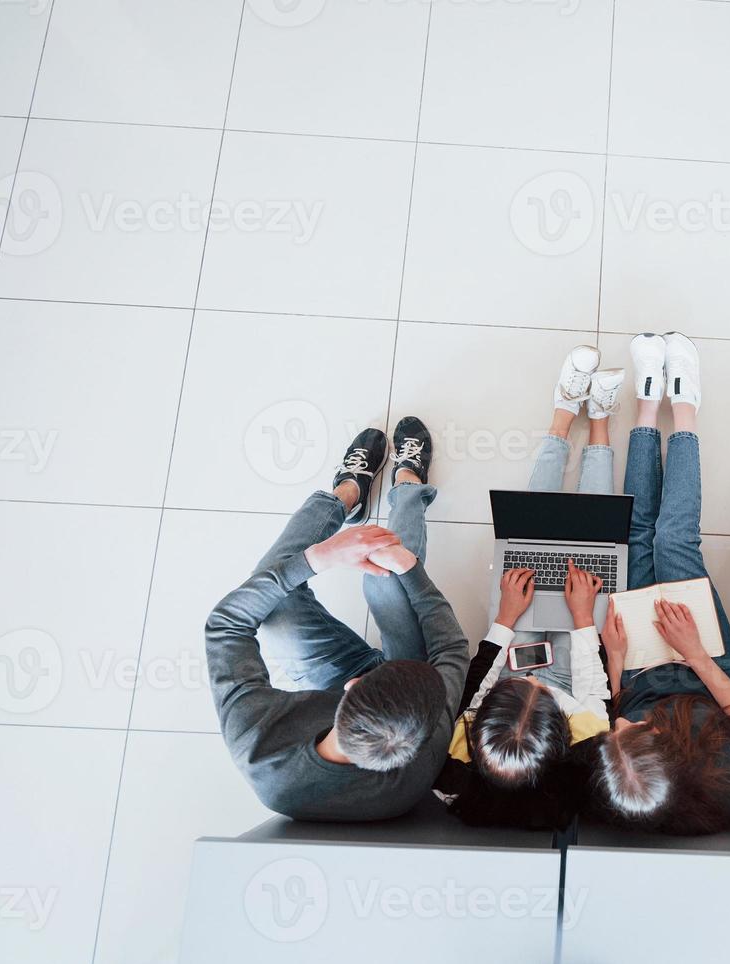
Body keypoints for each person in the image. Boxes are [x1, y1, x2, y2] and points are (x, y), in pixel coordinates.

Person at [205, 418, 467, 821]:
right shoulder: (422, 746)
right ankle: (407, 484)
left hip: (327, 686)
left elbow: (225, 624)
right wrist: (410, 568)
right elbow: (450, 649)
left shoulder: (257, 746)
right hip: (382, 689)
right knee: (388, 577)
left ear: (353, 686)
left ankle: (345, 494)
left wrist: (319, 558)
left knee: (273, 604)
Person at [434, 346, 625, 828]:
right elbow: (595, 694)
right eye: (536, 690)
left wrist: (505, 618)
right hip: (577, 681)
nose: (535, 679)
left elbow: (479, 680)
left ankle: (563, 414)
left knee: (530, 536)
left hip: (507, 661)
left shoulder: (457, 756)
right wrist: (583, 620)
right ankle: (599, 421)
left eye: (528, 685)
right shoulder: (585, 753)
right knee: (592, 545)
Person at [587, 332, 730, 835]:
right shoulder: (726, 773)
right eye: (630, 731)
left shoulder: (626, 776)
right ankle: (685, 409)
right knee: (674, 542)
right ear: (667, 743)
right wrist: (695, 652)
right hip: (705, 671)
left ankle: (646, 407)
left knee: (636, 539)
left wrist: (615, 660)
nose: (616, 724)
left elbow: (617, 709)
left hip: (640, 672)